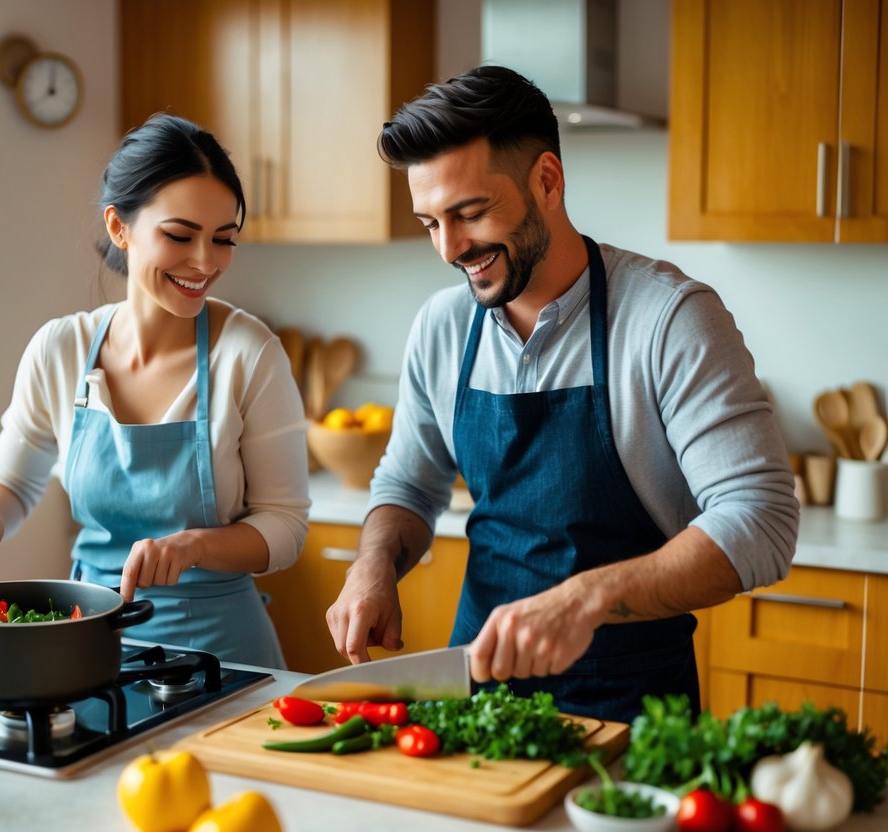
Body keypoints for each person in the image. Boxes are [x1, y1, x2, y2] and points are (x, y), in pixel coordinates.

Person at [325, 66, 800, 722]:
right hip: (478, 695)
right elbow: (407, 486)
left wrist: (584, 599)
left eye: (468, 214)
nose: (449, 248)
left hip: (633, 707)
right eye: (431, 222)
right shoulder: (441, 325)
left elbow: (759, 520)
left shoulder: (668, 318)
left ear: (546, 180)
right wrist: (372, 564)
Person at [0, 113, 309, 667]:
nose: (205, 262)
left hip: (224, 658)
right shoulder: (60, 348)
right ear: (119, 227)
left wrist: (196, 545)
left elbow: (285, 527)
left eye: (223, 239)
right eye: (179, 235)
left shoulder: (249, 354)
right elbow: (10, 478)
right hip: (89, 643)